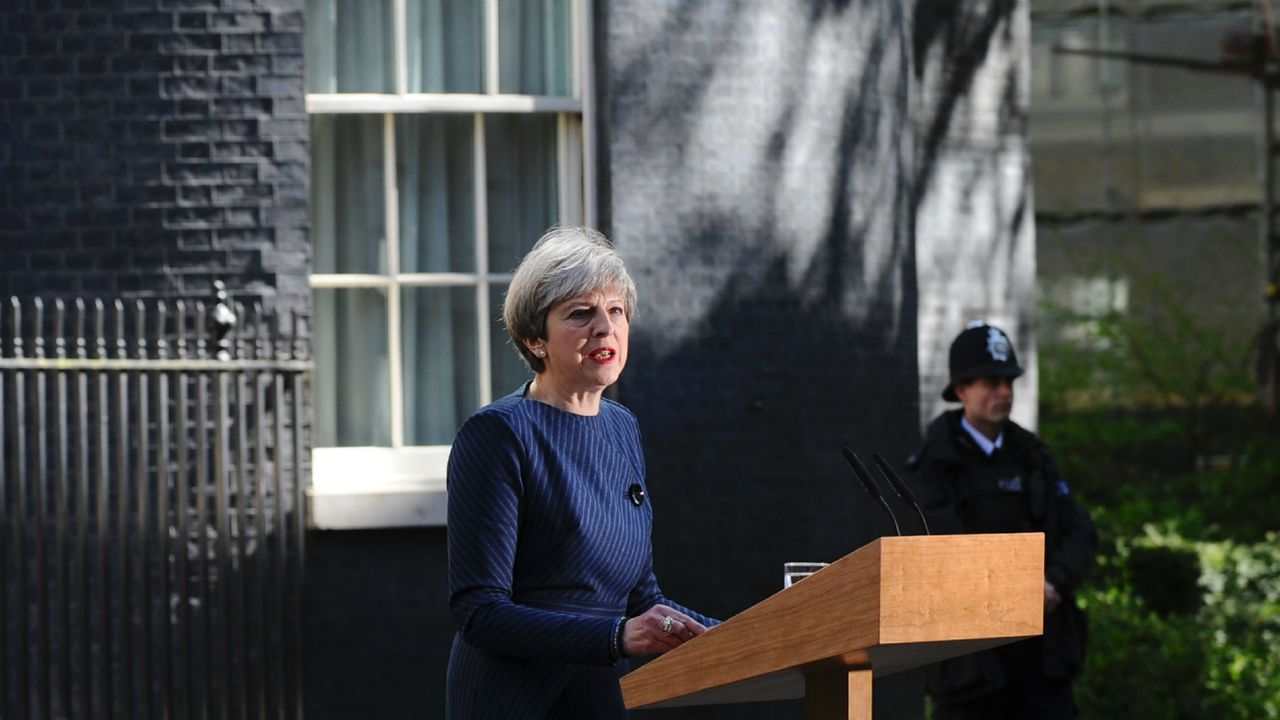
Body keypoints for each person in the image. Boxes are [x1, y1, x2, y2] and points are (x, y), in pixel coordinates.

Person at [445, 226, 718, 719]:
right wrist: (615, 636)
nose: (604, 328)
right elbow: (479, 613)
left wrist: (746, 633)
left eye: (616, 311)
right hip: (509, 697)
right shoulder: (497, 435)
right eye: (580, 313)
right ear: (535, 338)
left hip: (595, 693)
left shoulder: (622, 428)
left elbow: (639, 595)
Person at [908, 322, 1097, 720]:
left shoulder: (1032, 454)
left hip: (1039, 659)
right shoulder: (937, 462)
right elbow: (943, 546)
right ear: (962, 391)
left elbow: (1079, 530)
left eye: (1009, 382)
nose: (1004, 392)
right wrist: (1014, 590)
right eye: (991, 383)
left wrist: (1053, 581)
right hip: (970, 663)